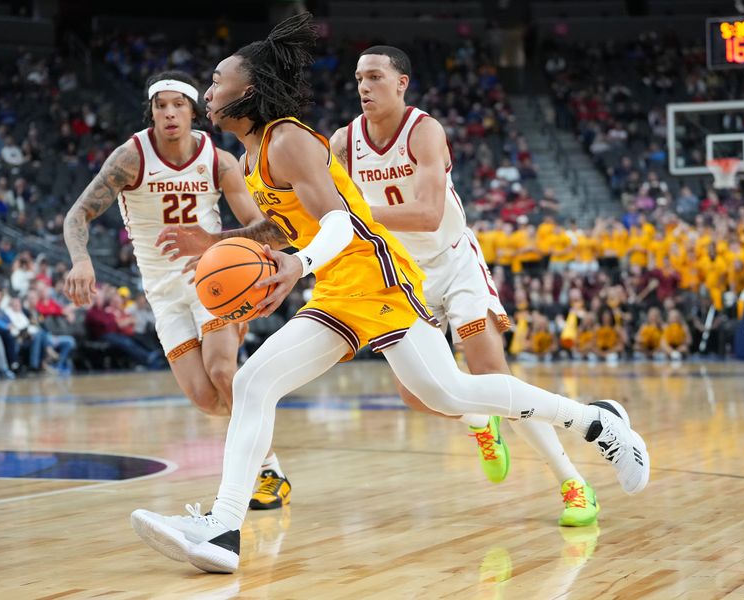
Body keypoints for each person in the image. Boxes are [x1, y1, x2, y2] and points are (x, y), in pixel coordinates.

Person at [132, 13, 649, 574]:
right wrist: (220, 240)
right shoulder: (255, 154)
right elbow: (285, 226)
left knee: (454, 392)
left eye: (216, 80)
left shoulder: (288, 140)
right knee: (259, 383)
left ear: (249, 89)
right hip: (338, 291)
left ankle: (599, 425)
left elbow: (340, 222)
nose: (208, 92)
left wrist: (297, 264)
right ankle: (224, 529)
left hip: (378, 281)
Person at [328, 45, 599, 526]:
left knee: (494, 374)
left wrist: (353, 216)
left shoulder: (424, 130)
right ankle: (479, 419)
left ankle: (571, 481)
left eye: (373, 77)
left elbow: (429, 214)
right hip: (399, 274)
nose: (364, 87)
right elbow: (325, 213)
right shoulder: (343, 143)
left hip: (453, 262)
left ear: (401, 82)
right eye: (358, 79)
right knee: (417, 394)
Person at [63, 70, 291, 509]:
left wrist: (236, 256)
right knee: (206, 399)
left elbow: (266, 229)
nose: (169, 113)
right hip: (163, 292)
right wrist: (81, 259)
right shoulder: (130, 158)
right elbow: (77, 215)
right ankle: (256, 425)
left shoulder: (219, 160)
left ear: (193, 112)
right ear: (150, 112)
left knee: (224, 371)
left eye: (178, 105)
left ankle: (267, 471)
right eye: (161, 105)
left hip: (215, 279)